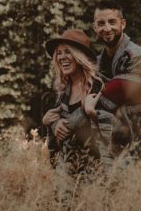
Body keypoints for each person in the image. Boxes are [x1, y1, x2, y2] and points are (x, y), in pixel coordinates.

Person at [84, 0, 141, 163]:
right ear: (95, 28)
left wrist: (88, 106)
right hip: (108, 149)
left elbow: (109, 98)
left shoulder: (137, 55)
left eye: (112, 22)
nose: (107, 28)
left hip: (140, 148)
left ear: (123, 24)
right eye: (101, 23)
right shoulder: (97, 63)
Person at [41, 29, 114, 173]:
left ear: (80, 56)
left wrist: (93, 115)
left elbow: (119, 131)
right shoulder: (61, 92)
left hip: (97, 174)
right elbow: (56, 140)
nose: (62, 57)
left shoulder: (101, 87)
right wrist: (52, 123)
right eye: (59, 53)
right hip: (66, 176)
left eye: (68, 52)